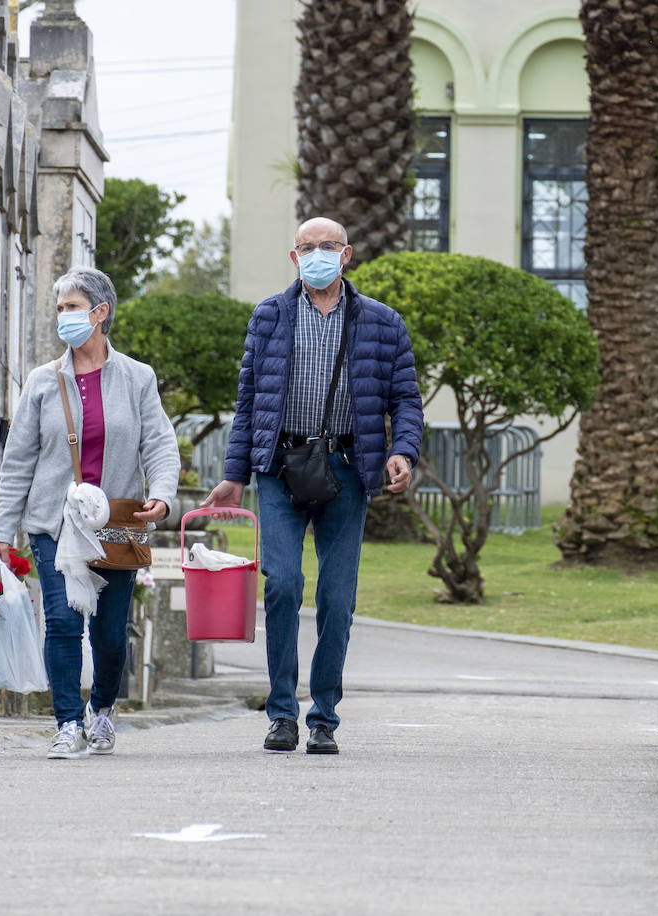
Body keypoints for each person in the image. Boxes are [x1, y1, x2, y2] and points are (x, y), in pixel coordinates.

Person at [202, 217, 424, 755]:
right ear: (293, 256)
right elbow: (249, 402)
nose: (319, 254)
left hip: (348, 468)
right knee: (281, 584)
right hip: (279, 468)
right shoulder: (270, 316)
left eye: (329, 246)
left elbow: (406, 401)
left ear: (346, 255)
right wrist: (234, 475)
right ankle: (281, 713)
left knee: (337, 597)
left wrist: (402, 451)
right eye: (308, 247)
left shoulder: (382, 322)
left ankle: (324, 716)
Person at [0, 265, 179, 759]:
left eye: (72, 308)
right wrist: (2, 532)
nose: (64, 318)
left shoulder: (138, 378)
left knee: (111, 633)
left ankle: (103, 710)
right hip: (54, 521)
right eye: (60, 309)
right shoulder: (41, 382)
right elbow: (18, 462)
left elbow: (159, 443)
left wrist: (161, 493)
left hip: (117, 521)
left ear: (100, 312)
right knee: (64, 621)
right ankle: (68, 721)